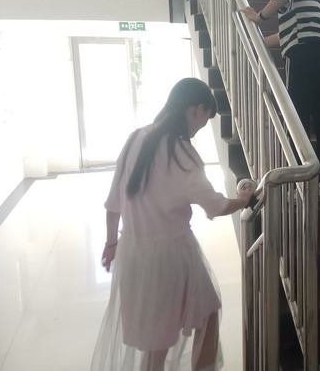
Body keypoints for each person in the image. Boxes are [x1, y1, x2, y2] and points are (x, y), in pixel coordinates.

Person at [91, 78, 254, 371]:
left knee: (158, 341)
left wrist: (111, 244)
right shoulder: (182, 153)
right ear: (196, 109)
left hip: (133, 253)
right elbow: (215, 205)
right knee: (204, 315)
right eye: (204, 119)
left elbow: (113, 203)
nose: (199, 128)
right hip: (172, 257)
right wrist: (243, 199)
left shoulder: (136, 138)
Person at [240, 0, 320, 205]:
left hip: (304, 55)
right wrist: (258, 43)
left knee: (297, 123)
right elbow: (288, 34)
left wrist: (259, 17)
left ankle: (299, 189)